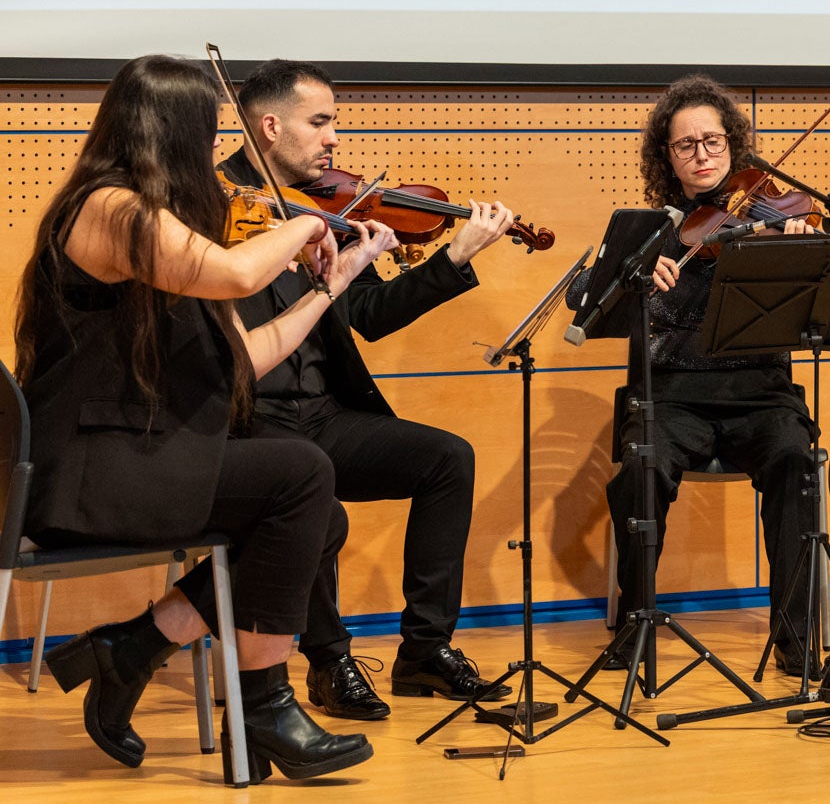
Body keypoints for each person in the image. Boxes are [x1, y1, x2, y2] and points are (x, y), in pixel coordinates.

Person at [15, 54, 399, 782]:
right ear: (172, 134)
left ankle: (133, 647)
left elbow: (241, 361)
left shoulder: (167, 228)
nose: (213, 153)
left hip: (133, 453)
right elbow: (239, 274)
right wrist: (309, 224)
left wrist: (329, 288)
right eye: (207, 132)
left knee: (320, 516)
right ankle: (263, 708)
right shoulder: (108, 209)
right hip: (88, 470)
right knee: (300, 473)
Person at [217, 59, 514, 720]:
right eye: (319, 123)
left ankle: (425, 651)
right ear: (269, 126)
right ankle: (328, 661)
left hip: (324, 411)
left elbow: (366, 317)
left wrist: (454, 257)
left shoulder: (329, 207)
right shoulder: (210, 206)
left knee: (448, 458)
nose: (333, 141)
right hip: (246, 420)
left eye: (334, 124)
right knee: (307, 479)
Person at [568, 73, 821, 677]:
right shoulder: (650, 230)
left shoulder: (771, 219)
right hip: (672, 397)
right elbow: (585, 297)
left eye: (713, 141)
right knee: (641, 468)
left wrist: (799, 253)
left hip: (761, 395)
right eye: (686, 145)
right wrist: (634, 281)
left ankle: (795, 634)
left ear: (734, 147)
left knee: (795, 459)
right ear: (667, 158)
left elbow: (818, 309)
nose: (702, 155)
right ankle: (636, 625)